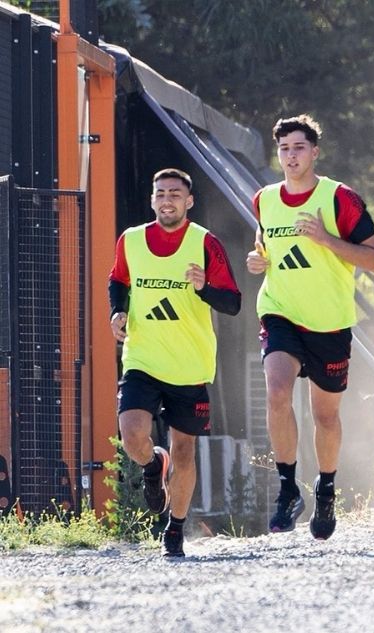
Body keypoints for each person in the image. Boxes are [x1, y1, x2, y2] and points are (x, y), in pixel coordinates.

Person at [246, 115, 374, 540]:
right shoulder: (264, 199)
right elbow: (264, 247)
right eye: (284, 149)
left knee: (326, 416)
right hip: (280, 310)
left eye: (299, 147)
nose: (291, 156)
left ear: (315, 151)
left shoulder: (339, 198)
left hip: (329, 321)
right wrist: (258, 262)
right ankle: (287, 489)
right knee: (277, 390)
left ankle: (325, 491)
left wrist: (326, 240)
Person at [110, 168, 242, 557]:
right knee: (132, 434)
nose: (167, 199)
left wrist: (204, 287)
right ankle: (153, 466)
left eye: (175, 194)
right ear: (152, 200)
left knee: (185, 450)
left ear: (189, 201)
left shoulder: (205, 243)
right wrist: (118, 312)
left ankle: (176, 528)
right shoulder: (131, 240)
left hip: (189, 365)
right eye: (161, 193)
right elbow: (118, 280)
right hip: (143, 357)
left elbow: (232, 302)